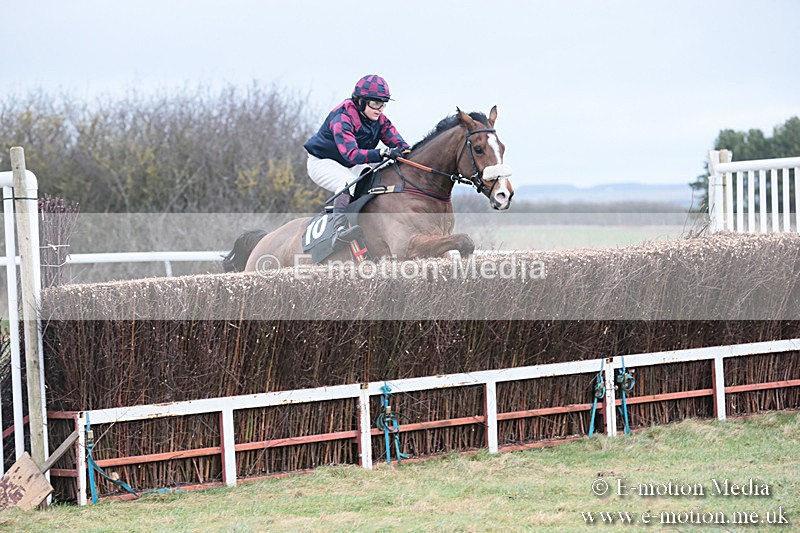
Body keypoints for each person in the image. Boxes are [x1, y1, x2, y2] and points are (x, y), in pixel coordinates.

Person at [303, 75, 410, 241]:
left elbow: (400, 144)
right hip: (322, 162)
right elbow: (351, 154)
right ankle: (338, 229)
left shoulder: (380, 120)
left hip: (349, 163)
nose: (380, 108)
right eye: (375, 103)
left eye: (383, 103)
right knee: (346, 181)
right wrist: (382, 153)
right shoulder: (342, 117)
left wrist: (408, 153)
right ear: (360, 101)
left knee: (375, 179)